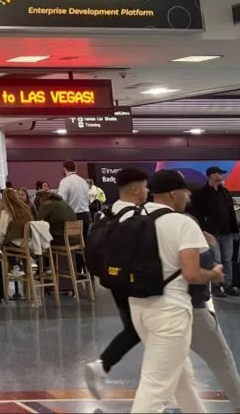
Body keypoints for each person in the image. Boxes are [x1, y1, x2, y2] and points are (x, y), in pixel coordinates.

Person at [127, 170, 223, 414]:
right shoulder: (182, 222)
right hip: (170, 310)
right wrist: (214, 274)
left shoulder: (132, 217)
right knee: (155, 386)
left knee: (181, 374)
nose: (189, 196)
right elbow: (192, 274)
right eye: (185, 191)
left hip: (138, 306)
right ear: (173, 193)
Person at [84, 167, 161, 397]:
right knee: (145, 330)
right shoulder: (135, 217)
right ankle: (104, 366)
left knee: (137, 329)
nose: (147, 191)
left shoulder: (108, 213)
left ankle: (103, 366)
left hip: (114, 280)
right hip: (136, 284)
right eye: (145, 186)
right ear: (137, 188)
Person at [190, 166, 240, 297]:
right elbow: (195, 212)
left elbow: (231, 212)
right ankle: (216, 286)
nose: (221, 176)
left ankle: (228, 285)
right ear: (211, 175)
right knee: (216, 259)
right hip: (210, 232)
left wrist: (235, 230)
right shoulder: (200, 193)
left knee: (227, 259)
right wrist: (201, 229)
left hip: (226, 231)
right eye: (219, 173)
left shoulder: (225, 192)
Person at [57, 160, 92, 237]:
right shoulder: (83, 181)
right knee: (83, 243)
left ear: (64, 169)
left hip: (73, 217)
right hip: (86, 216)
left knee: (72, 244)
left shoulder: (65, 182)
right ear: (75, 168)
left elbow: (61, 201)